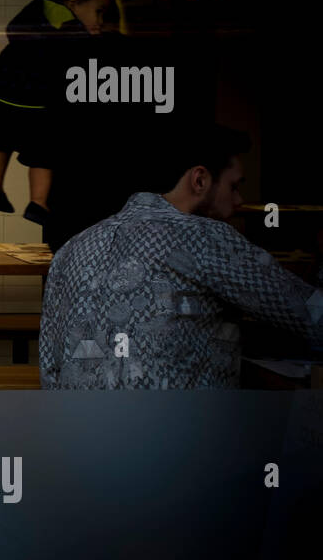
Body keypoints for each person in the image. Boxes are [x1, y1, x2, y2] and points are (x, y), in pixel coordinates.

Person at [39, 124, 322, 389]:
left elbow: (49, 367)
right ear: (200, 179)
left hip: (76, 431)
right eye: (234, 186)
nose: (238, 200)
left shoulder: (70, 249)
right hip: (176, 434)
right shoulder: (204, 236)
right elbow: (310, 314)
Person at [0, 0, 115, 226]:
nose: (101, 21)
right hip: (37, 104)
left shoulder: (35, 14)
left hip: (0, 92)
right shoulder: (69, 30)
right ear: (73, 3)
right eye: (98, 12)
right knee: (44, 154)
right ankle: (38, 202)